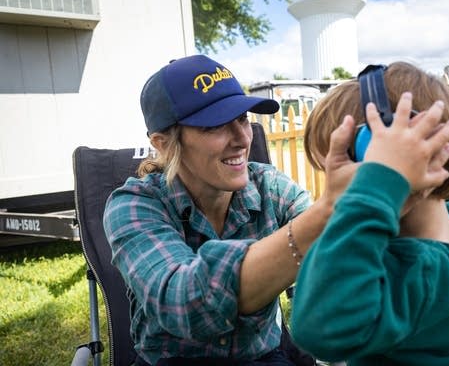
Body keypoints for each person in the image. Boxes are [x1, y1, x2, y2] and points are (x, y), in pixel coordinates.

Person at [102, 54, 357, 365]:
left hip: (264, 356)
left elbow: (340, 250)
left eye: (242, 119)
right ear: (164, 143)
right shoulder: (134, 205)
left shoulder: (269, 187)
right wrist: (325, 216)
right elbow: (182, 304)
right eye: (214, 126)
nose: (242, 139)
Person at [290, 62, 449, 365]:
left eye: (344, 172)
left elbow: (317, 329)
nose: (333, 188)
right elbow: (446, 188)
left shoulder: (413, 274)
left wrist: (374, 190)